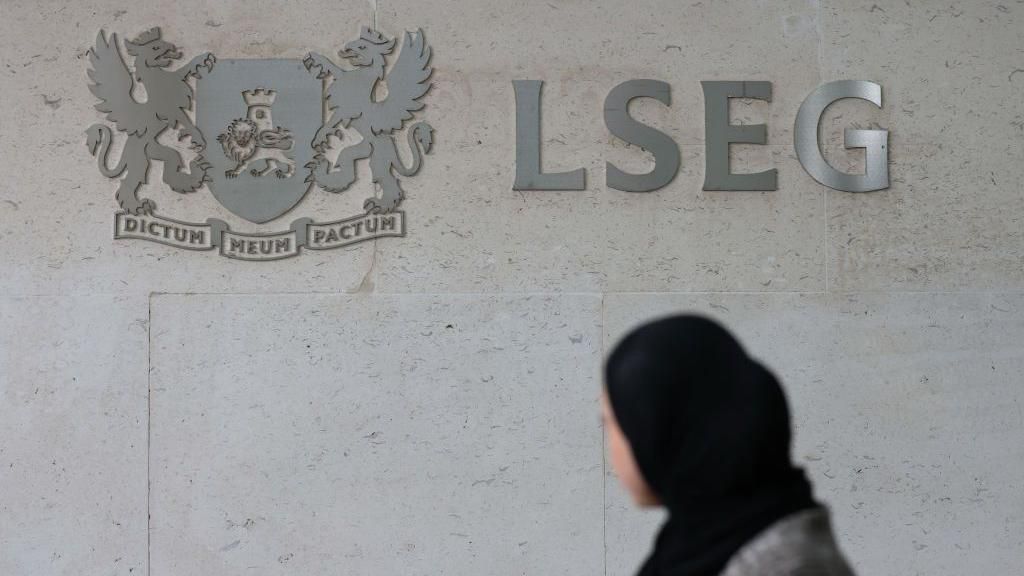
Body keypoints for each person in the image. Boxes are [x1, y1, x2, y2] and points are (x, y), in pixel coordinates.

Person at [603, 314, 855, 576]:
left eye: (612, 421)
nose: (610, 441)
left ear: (661, 432)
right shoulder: (694, 547)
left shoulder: (791, 568)